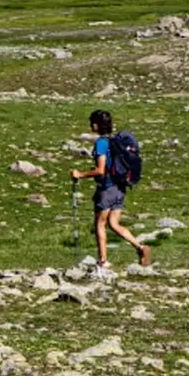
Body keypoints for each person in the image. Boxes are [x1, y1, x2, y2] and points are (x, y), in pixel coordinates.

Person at [70, 109, 150, 269]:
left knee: (100, 224)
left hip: (107, 188)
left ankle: (103, 261)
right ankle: (140, 247)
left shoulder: (101, 143)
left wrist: (80, 174)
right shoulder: (115, 141)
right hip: (120, 187)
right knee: (113, 224)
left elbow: (100, 170)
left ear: (95, 125)